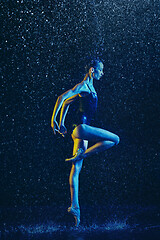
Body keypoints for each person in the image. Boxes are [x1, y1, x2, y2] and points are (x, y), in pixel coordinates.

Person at [51, 58, 120, 227]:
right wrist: (54, 121)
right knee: (115, 139)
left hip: (80, 132)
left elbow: (67, 103)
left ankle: (75, 207)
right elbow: (62, 97)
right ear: (92, 70)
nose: (102, 73)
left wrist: (62, 122)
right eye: (100, 70)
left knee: (76, 168)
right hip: (81, 129)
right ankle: (82, 155)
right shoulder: (82, 86)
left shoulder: (91, 88)